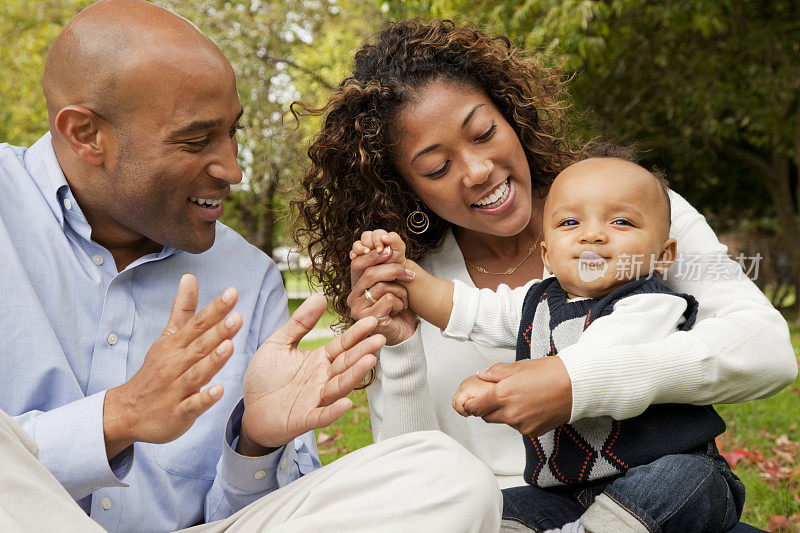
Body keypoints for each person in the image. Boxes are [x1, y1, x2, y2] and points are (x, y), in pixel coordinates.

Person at [0, 3, 502, 532]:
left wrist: (255, 444)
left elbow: (271, 518)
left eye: (233, 134)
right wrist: (116, 418)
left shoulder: (247, 275)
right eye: (196, 140)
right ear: (85, 134)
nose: (233, 169)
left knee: (448, 476)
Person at [292, 18, 797, 528]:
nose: (477, 170)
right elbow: (411, 486)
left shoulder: (635, 211)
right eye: (436, 168)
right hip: (516, 515)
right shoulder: (418, 286)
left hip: (650, 501)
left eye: (484, 133)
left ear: (511, 116)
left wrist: (577, 381)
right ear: (404, 187)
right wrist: (399, 345)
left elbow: (767, 351)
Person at [351, 155, 746, 532]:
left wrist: (492, 384)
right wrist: (403, 275)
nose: (592, 234)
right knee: (509, 506)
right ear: (547, 255)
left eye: (622, 222)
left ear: (663, 256)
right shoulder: (537, 300)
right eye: (570, 222)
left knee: (678, 481)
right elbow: (470, 309)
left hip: (667, 473)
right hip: (571, 493)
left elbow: (593, 358)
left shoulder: (650, 305)